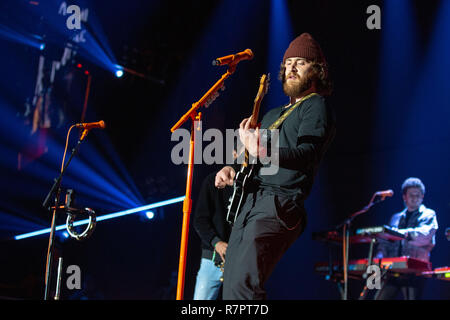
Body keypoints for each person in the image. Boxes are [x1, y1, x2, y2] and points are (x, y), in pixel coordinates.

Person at [215, 33, 336, 300]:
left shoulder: (316, 105)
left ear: (316, 70)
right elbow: (254, 160)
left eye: (300, 62)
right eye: (288, 62)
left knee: (243, 289)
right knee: (232, 287)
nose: (291, 68)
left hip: (279, 202)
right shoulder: (273, 114)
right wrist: (232, 168)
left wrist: (259, 148)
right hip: (250, 203)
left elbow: (307, 154)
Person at [375, 177, 438, 300]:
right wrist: (378, 257)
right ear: (404, 197)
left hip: (414, 271)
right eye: (411, 195)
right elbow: (385, 243)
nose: (415, 198)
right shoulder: (395, 218)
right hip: (392, 271)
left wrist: (400, 233)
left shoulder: (428, 214)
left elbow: (425, 235)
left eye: (418, 195)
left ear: (422, 197)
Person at [192, 171, 233, 300]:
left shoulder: (256, 183)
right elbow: (199, 220)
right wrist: (217, 242)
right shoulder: (212, 181)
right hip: (213, 259)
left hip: (241, 260)